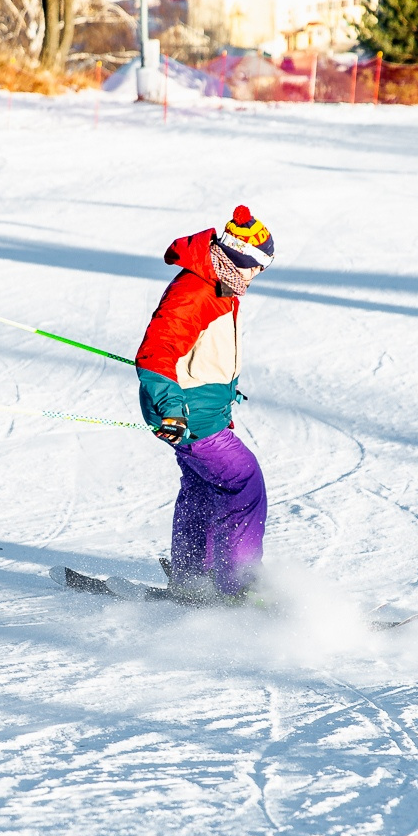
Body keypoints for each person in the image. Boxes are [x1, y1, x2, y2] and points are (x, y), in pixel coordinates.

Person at [135, 205, 275, 602]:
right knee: (242, 483)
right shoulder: (196, 290)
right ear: (236, 258)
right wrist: (173, 409)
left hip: (200, 410)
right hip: (186, 415)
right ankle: (239, 587)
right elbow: (156, 351)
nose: (257, 276)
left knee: (202, 487)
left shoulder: (220, 283)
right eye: (255, 267)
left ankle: (193, 576)